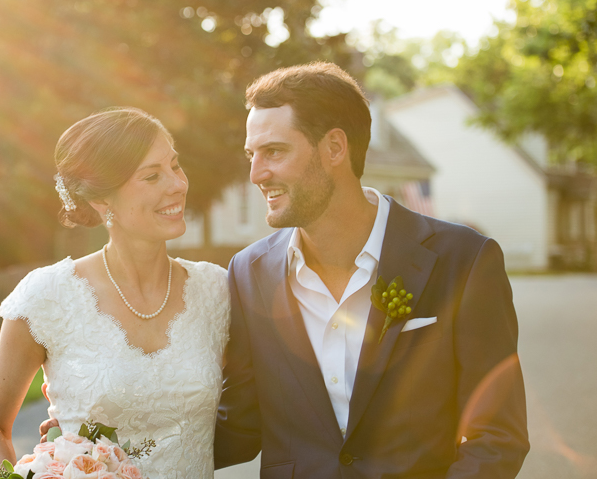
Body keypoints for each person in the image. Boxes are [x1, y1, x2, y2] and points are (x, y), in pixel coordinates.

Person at [214, 62, 529, 477]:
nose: (257, 174)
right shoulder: (249, 272)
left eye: (274, 151)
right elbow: (240, 425)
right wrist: (121, 449)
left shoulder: (464, 260)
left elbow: (497, 436)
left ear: (334, 148)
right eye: (252, 155)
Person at [0, 107, 229, 479]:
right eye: (153, 175)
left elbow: (256, 408)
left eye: (175, 166)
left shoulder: (217, 291)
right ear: (102, 201)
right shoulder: (49, 295)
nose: (177, 184)